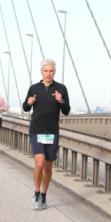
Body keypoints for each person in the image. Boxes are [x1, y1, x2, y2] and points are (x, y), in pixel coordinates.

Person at [22, 60, 70, 209]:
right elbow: (25, 107)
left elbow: (66, 111)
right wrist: (29, 102)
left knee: (48, 167)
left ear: (54, 72)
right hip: (36, 130)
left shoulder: (61, 88)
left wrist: (61, 100)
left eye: (51, 71)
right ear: (41, 72)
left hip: (52, 132)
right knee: (40, 163)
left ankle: (44, 195)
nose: (48, 74)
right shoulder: (34, 88)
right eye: (46, 71)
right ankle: (36, 193)